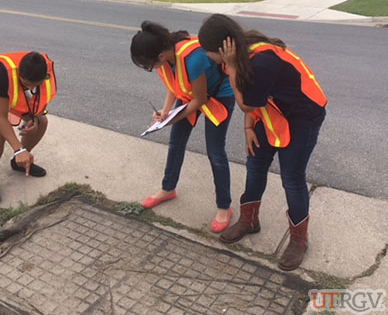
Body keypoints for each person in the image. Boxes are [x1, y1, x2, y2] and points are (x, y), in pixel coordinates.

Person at [198, 14, 327, 271]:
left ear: (224, 48)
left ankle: (299, 240)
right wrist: (248, 127)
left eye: (209, 52)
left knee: (292, 178)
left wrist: (233, 69)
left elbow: (246, 101)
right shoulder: (238, 56)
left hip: (302, 116)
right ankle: (249, 220)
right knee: (255, 164)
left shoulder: (260, 62)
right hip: (269, 110)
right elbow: (251, 98)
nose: (208, 57)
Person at [130, 21, 235, 233]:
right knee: (176, 142)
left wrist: (170, 120)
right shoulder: (165, 57)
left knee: (215, 152)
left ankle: (224, 207)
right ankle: (168, 188)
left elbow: (201, 100)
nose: (151, 69)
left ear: (159, 56)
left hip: (217, 96)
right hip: (190, 94)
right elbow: (174, 86)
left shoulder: (193, 59)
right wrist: (165, 111)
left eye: (148, 65)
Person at [0, 51, 57, 205]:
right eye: (28, 84)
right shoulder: (2, 72)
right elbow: (1, 117)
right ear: (19, 75)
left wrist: (32, 118)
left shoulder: (44, 68)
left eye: (36, 85)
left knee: (41, 122)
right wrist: (18, 149)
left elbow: (36, 101)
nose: (31, 88)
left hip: (11, 89)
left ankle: (18, 163)